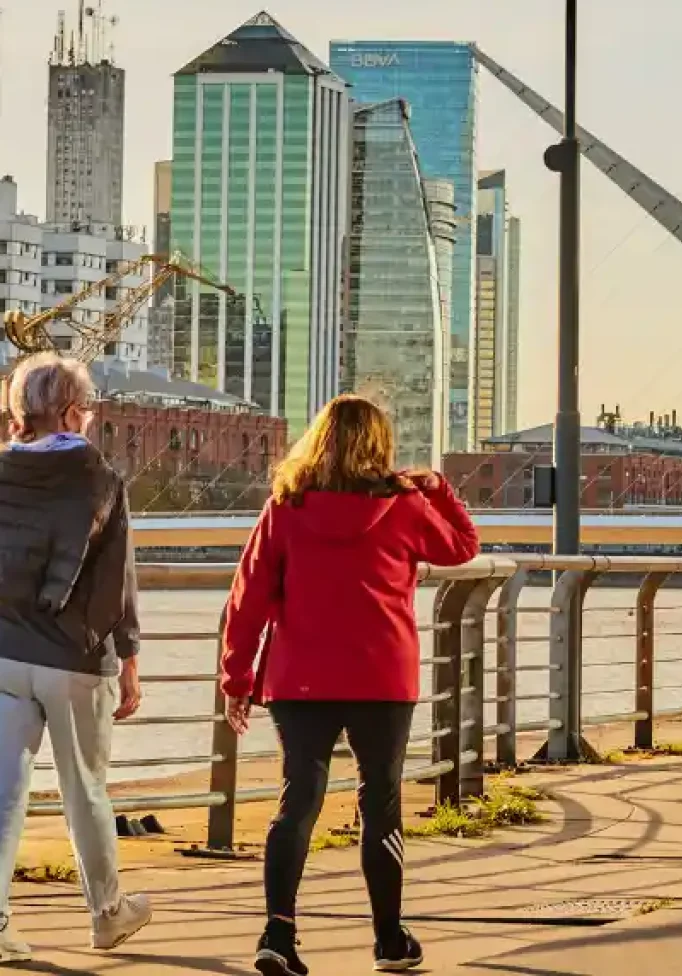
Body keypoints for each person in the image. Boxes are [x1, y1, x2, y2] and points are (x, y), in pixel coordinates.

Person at [220, 395, 479, 976]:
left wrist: (236, 677)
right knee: (380, 803)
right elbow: (463, 546)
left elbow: (248, 598)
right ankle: (388, 939)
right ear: (380, 446)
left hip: (299, 679)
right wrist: (438, 487)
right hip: (381, 678)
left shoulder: (284, 507)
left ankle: (278, 934)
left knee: (298, 801)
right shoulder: (407, 507)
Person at [0, 353, 151, 963]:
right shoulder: (99, 479)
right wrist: (129, 658)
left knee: (3, 793)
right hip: (73, 657)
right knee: (84, 788)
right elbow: (118, 582)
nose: (90, 420)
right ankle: (107, 913)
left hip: (3, 652)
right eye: (86, 409)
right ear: (67, 412)